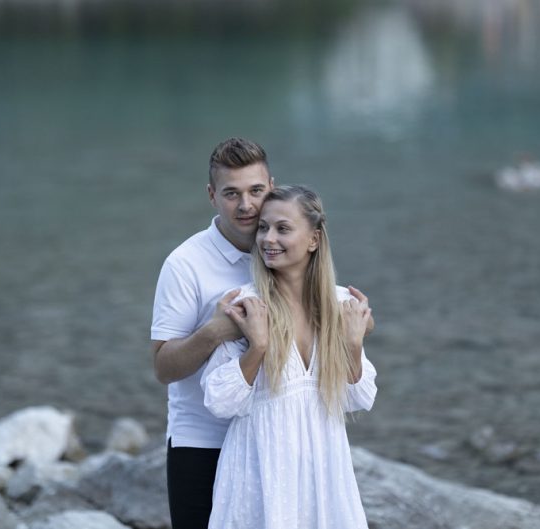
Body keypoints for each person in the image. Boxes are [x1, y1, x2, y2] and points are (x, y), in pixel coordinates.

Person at [150, 139, 373, 529]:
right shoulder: (185, 264)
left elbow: (336, 335)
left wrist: (356, 331)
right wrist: (217, 331)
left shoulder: (280, 249)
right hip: (203, 440)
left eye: (256, 191)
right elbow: (163, 368)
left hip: (286, 443)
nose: (246, 205)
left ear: (271, 186)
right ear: (212, 195)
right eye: (231, 194)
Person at [201, 185, 377, 529]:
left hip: (324, 472)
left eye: (282, 228)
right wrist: (258, 348)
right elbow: (219, 401)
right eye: (263, 227)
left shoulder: (341, 305)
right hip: (260, 473)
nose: (268, 239)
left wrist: (353, 344)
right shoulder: (246, 305)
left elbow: (359, 399)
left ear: (313, 239)